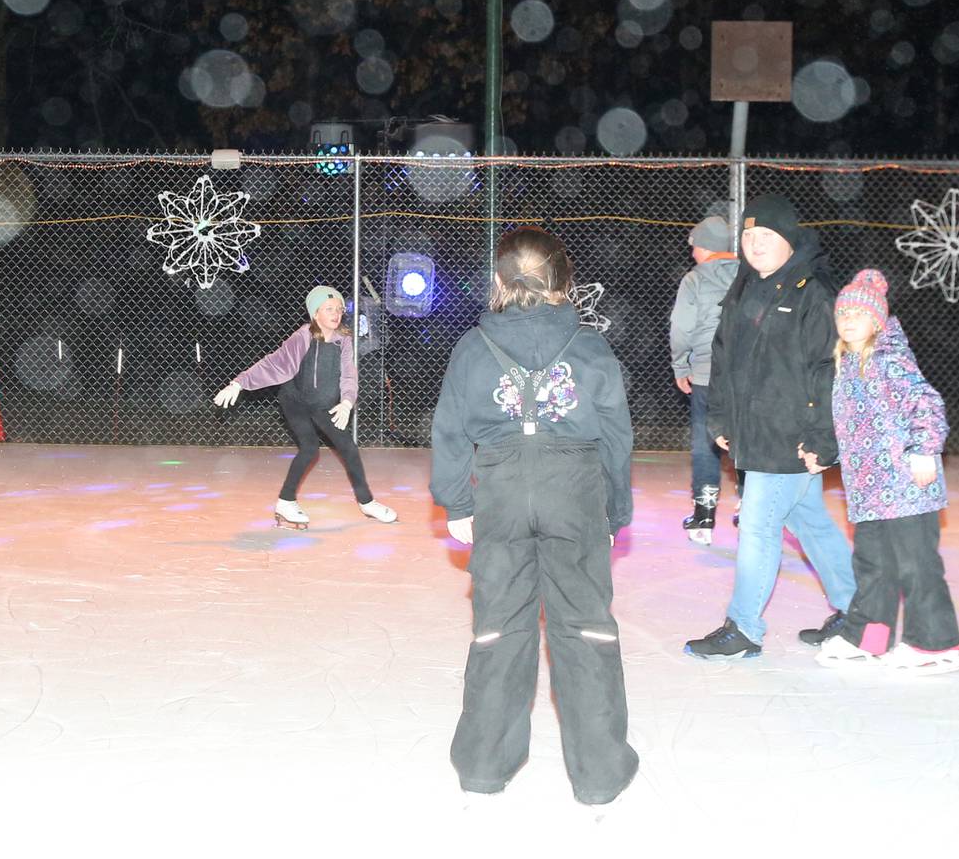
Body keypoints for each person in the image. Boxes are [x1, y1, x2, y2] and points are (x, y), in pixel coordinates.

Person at [429, 227, 638, 808]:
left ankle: (484, 764)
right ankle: (599, 773)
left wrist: (457, 501)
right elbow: (616, 433)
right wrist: (615, 506)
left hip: (499, 493)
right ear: (563, 280)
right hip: (574, 492)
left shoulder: (473, 346)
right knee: (584, 626)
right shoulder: (590, 346)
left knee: (500, 625)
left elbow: (449, 427)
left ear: (498, 281)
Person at [685, 194, 856, 659]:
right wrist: (720, 415)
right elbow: (723, 357)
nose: (756, 244)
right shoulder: (744, 286)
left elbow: (829, 369)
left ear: (788, 239)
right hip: (754, 431)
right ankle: (857, 611)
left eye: (766, 235)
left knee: (759, 526)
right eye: (749, 236)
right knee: (808, 520)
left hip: (791, 436)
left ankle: (744, 628)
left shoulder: (811, 293)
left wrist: (822, 437)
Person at [802, 269, 959, 673]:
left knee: (915, 564)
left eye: (859, 313)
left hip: (907, 485)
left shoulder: (888, 359)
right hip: (869, 490)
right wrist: (826, 454)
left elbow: (927, 403)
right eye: (843, 313)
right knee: (872, 564)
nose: (849, 320)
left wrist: (925, 450)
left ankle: (935, 644)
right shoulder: (847, 365)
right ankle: (869, 637)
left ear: (877, 320)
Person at [213, 285, 398, 528]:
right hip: (295, 401)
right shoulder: (303, 336)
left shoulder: (344, 340)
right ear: (315, 313)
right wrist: (238, 384)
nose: (336, 314)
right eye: (329, 309)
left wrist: (346, 402)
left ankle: (367, 503)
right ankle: (286, 502)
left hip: (322, 404)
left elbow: (348, 375)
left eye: (339, 309)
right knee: (310, 449)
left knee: (349, 448)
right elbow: (275, 363)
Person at [669, 214, 743, 544]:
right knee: (744, 436)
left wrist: (680, 365)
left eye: (695, 246)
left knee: (705, 441)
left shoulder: (694, 279)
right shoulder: (749, 275)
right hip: (744, 374)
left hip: (706, 372)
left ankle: (704, 516)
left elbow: (682, 328)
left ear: (705, 247)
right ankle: (750, 506)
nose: (692, 252)